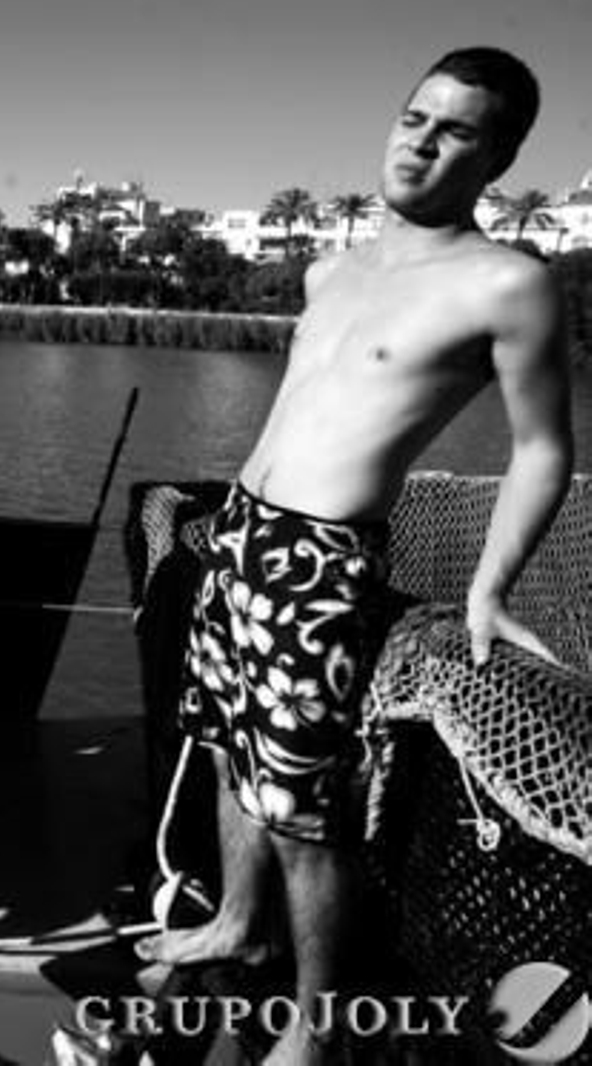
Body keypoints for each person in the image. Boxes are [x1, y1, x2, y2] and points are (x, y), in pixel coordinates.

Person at [138, 48, 571, 1066]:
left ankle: (316, 1019)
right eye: (413, 116)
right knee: (223, 746)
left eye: (454, 129)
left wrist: (489, 586)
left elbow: (543, 449)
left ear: (498, 154)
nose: (419, 139)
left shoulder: (507, 284)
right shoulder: (330, 266)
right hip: (237, 534)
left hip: (321, 561)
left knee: (299, 807)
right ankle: (240, 923)